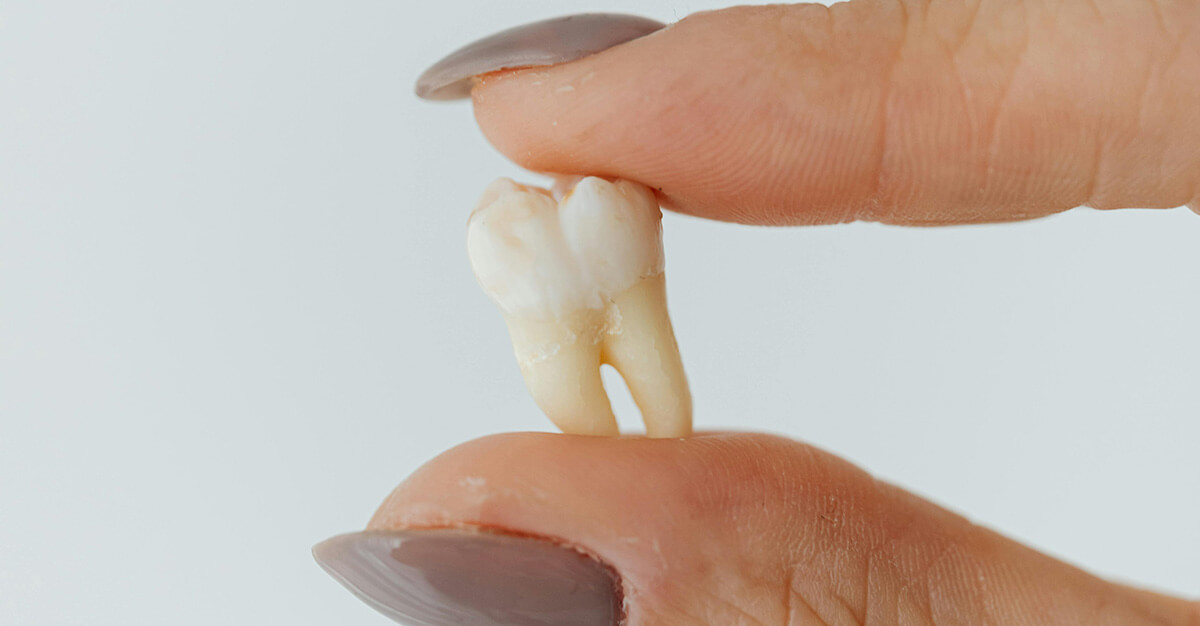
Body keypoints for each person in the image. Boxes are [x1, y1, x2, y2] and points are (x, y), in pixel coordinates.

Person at [315, 2, 1200, 624]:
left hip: (602, 274)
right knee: (645, 430)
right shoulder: (534, 242)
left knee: (654, 427)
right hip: (579, 278)